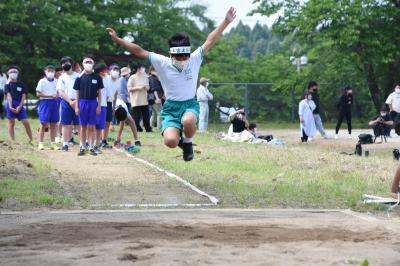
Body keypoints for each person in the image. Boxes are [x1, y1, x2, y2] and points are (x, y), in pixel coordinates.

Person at [107, 7, 236, 161]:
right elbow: (139, 51)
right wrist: (118, 40)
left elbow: (210, 40)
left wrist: (226, 22)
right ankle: (180, 141)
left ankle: (187, 143)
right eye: (178, 58)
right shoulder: (163, 62)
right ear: (171, 55)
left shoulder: (194, 59)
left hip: (189, 104)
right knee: (170, 142)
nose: (182, 61)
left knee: (188, 120)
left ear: (189, 55)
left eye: (185, 57)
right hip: (170, 107)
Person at [74, 55, 103, 156]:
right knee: (82, 126)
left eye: (90, 62)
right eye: (86, 62)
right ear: (83, 64)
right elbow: (77, 93)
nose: (88, 64)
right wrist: (77, 106)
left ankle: (91, 146)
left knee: (92, 126)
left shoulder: (97, 77)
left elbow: (99, 93)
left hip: (93, 103)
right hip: (82, 102)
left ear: (93, 64)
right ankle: (82, 146)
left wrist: (99, 105)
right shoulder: (79, 78)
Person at [4, 66, 33, 143]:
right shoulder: (7, 84)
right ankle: (13, 141)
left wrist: (20, 106)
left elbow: (23, 96)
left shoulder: (21, 84)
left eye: (15, 72)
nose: (13, 73)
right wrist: (10, 106)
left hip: (19, 104)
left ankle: (31, 139)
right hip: (10, 104)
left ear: (18, 73)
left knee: (26, 122)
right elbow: (8, 95)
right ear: (8, 73)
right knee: (11, 122)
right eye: (11, 72)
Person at [57, 56, 80, 152]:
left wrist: (76, 101)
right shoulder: (61, 77)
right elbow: (60, 92)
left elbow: (81, 90)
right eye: (63, 63)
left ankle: (84, 144)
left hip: (78, 101)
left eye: (67, 62)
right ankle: (65, 144)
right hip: (66, 103)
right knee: (65, 124)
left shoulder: (78, 76)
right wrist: (70, 101)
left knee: (80, 124)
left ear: (71, 64)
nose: (65, 64)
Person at [36, 64, 59, 150]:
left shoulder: (57, 81)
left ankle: (52, 143)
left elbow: (60, 92)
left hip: (54, 103)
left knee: (53, 124)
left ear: (54, 72)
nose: (50, 72)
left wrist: (57, 95)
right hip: (44, 102)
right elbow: (38, 93)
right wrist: (49, 95)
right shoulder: (42, 81)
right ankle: (40, 143)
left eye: (52, 71)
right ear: (45, 72)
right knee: (43, 123)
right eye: (48, 71)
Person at [128, 63, 152, 132]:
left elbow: (148, 88)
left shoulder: (145, 77)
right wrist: (138, 88)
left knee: (146, 116)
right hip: (136, 100)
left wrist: (146, 87)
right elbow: (129, 89)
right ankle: (137, 128)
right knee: (137, 116)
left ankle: (148, 128)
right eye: (142, 68)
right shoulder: (132, 77)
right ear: (138, 69)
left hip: (144, 100)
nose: (143, 69)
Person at [102, 64, 120, 148]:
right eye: (114, 69)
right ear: (109, 71)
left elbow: (116, 94)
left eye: (117, 69)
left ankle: (104, 140)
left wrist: (113, 106)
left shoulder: (118, 81)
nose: (115, 71)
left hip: (109, 103)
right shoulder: (106, 78)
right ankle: (96, 140)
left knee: (108, 122)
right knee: (100, 122)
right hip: (102, 102)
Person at [94, 63, 109, 154]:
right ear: (101, 71)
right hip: (93, 104)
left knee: (100, 126)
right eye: (105, 70)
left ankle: (97, 144)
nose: (107, 72)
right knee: (91, 125)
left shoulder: (106, 80)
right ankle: (89, 142)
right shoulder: (94, 79)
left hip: (103, 105)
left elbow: (107, 94)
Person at [148, 66, 164, 130]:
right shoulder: (153, 78)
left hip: (151, 98)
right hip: (155, 97)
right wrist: (157, 98)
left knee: (154, 113)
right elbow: (154, 89)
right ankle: (159, 127)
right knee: (159, 113)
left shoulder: (151, 77)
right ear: (152, 70)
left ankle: (150, 126)